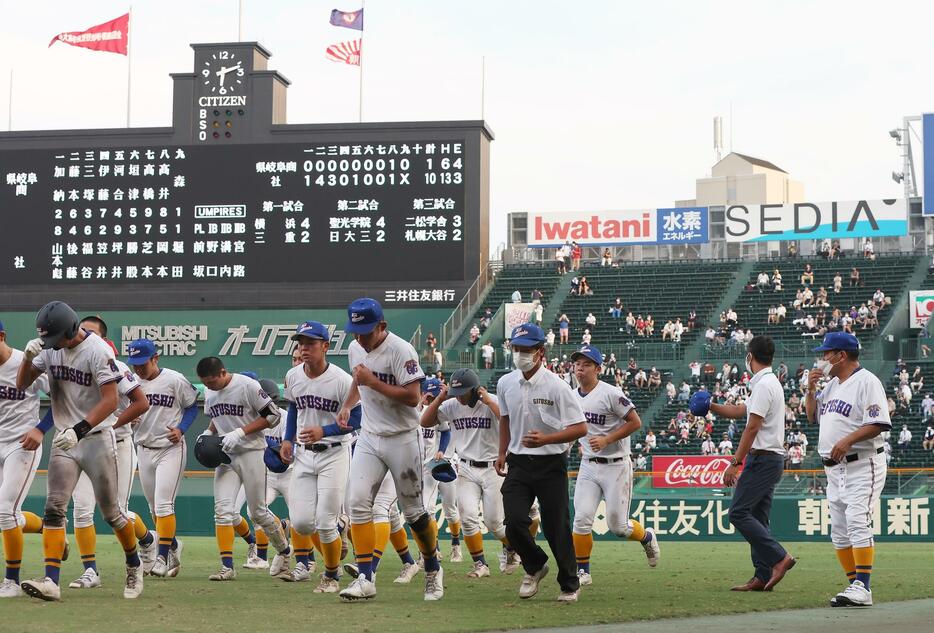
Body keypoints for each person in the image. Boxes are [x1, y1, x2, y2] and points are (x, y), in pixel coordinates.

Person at [15, 301, 143, 601]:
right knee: (53, 508)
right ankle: (51, 580)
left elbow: (111, 400)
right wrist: (28, 359)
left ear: (71, 330)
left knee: (112, 513)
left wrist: (79, 429)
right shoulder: (49, 347)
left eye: (54, 338)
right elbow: (22, 385)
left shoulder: (98, 350)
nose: (51, 345)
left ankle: (134, 564)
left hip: (96, 437)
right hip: (64, 437)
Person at [337, 298, 444, 602]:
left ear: (381, 326)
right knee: (357, 503)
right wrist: (347, 405)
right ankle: (365, 578)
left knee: (413, 512)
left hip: (402, 436)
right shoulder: (355, 348)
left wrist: (373, 381)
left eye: (366, 331)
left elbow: (413, 397)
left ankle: (433, 569)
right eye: (355, 330)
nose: (359, 337)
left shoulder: (401, 350)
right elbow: (359, 381)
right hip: (370, 435)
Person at [690, 335, 794, 592]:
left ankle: (779, 557)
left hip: (763, 458)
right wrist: (711, 406)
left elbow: (752, 427)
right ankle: (762, 575)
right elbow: (741, 411)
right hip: (770, 458)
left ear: (750, 357)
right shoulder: (770, 382)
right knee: (757, 516)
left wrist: (735, 462)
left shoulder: (763, 385)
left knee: (737, 512)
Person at [496, 323, 587, 602]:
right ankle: (535, 565)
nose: (520, 354)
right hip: (519, 462)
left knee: (556, 527)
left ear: (540, 352)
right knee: (512, 522)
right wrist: (502, 453)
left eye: (526, 350)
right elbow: (505, 419)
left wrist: (547, 439)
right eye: (516, 349)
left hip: (551, 463)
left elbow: (580, 428)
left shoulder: (558, 387)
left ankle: (570, 584)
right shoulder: (505, 383)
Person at [61, 316, 154, 590]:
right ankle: (90, 570)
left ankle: (148, 539)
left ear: (102, 338)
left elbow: (141, 403)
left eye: (90, 332)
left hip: (118, 446)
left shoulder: (116, 365)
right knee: (81, 510)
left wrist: (112, 423)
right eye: (81, 330)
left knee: (118, 512)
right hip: (83, 445)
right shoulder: (67, 366)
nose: (82, 335)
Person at [806, 331, 890, 607]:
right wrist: (810, 391)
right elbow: (812, 416)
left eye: (827, 353)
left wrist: (848, 439)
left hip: (862, 463)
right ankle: (854, 584)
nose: (824, 358)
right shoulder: (831, 385)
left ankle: (863, 588)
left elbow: (878, 423)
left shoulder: (867, 381)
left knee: (857, 520)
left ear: (841, 355)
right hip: (834, 469)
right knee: (839, 532)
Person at [278, 321, 359, 592]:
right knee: (301, 522)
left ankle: (331, 576)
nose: (304, 349)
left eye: (310, 344)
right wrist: (288, 439)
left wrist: (324, 429)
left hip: (334, 453)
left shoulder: (341, 380)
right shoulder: (293, 376)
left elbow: (358, 417)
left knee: (324, 523)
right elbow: (293, 407)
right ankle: (338, 530)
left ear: (326, 346)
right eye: (301, 343)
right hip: (303, 454)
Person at [570, 345, 659, 588]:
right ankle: (582, 571)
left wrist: (608, 439)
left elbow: (635, 422)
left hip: (616, 465)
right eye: (577, 363)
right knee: (581, 519)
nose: (580, 367)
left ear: (598, 368)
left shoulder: (611, 393)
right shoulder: (571, 395)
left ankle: (647, 537)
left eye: (586, 364)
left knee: (618, 526)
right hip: (588, 465)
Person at [196, 357, 291, 582]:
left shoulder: (247, 386)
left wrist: (241, 432)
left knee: (258, 511)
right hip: (226, 455)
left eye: (211, 382)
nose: (208, 387)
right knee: (222, 511)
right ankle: (227, 566)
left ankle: (285, 551)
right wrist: (209, 433)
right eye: (205, 383)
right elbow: (216, 418)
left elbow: (273, 416)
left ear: (222, 373)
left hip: (251, 452)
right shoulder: (210, 392)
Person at [420, 369, 520, 578]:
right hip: (465, 467)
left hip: (494, 467)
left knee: (495, 523)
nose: (459, 396)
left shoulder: (491, 401)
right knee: (467, 518)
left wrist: (489, 401)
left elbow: (509, 421)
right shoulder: (451, 405)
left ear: (475, 390)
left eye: (463, 392)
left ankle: (512, 548)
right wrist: (439, 398)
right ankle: (480, 564)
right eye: (456, 391)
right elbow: (425, 422)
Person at [125, 338, 199, 579]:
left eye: (142, 363)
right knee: (154, 508)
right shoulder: (131, 382)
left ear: (155, 358)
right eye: (134, 363)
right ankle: (174, 545)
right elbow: (127, 408)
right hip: (143, 448)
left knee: (164, 504)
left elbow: (192, 405)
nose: (138, 368)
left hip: (170, 448)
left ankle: (162, 556)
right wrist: (130, 418)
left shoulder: (174, 380)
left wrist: (182, 428)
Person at [0, 321, 51, 598]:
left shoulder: (25, 361)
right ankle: (48, 528)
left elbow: (62, 397)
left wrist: (40, 428)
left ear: (2, 336)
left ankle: (12, 581)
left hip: (21, 443)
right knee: (8, 515)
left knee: (4, 511)